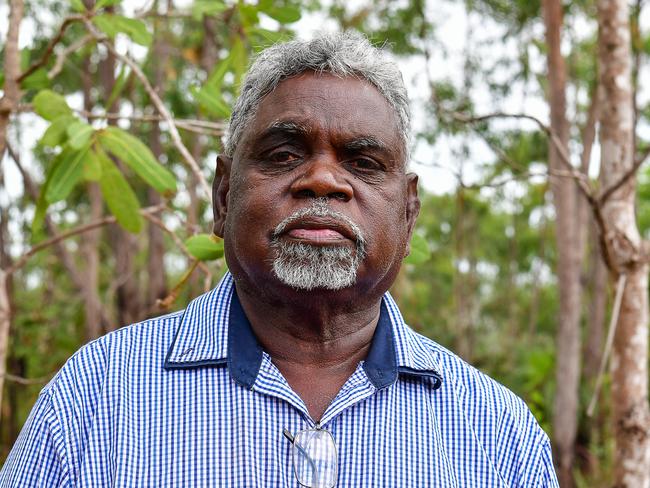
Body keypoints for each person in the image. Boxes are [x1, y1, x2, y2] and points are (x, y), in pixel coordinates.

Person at [0, 32, 558, 487]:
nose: (321, 179)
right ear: (223, 197)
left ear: (408, 214)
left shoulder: (497, 434)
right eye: (284, 154)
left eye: (363, 163)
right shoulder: (95, 399)